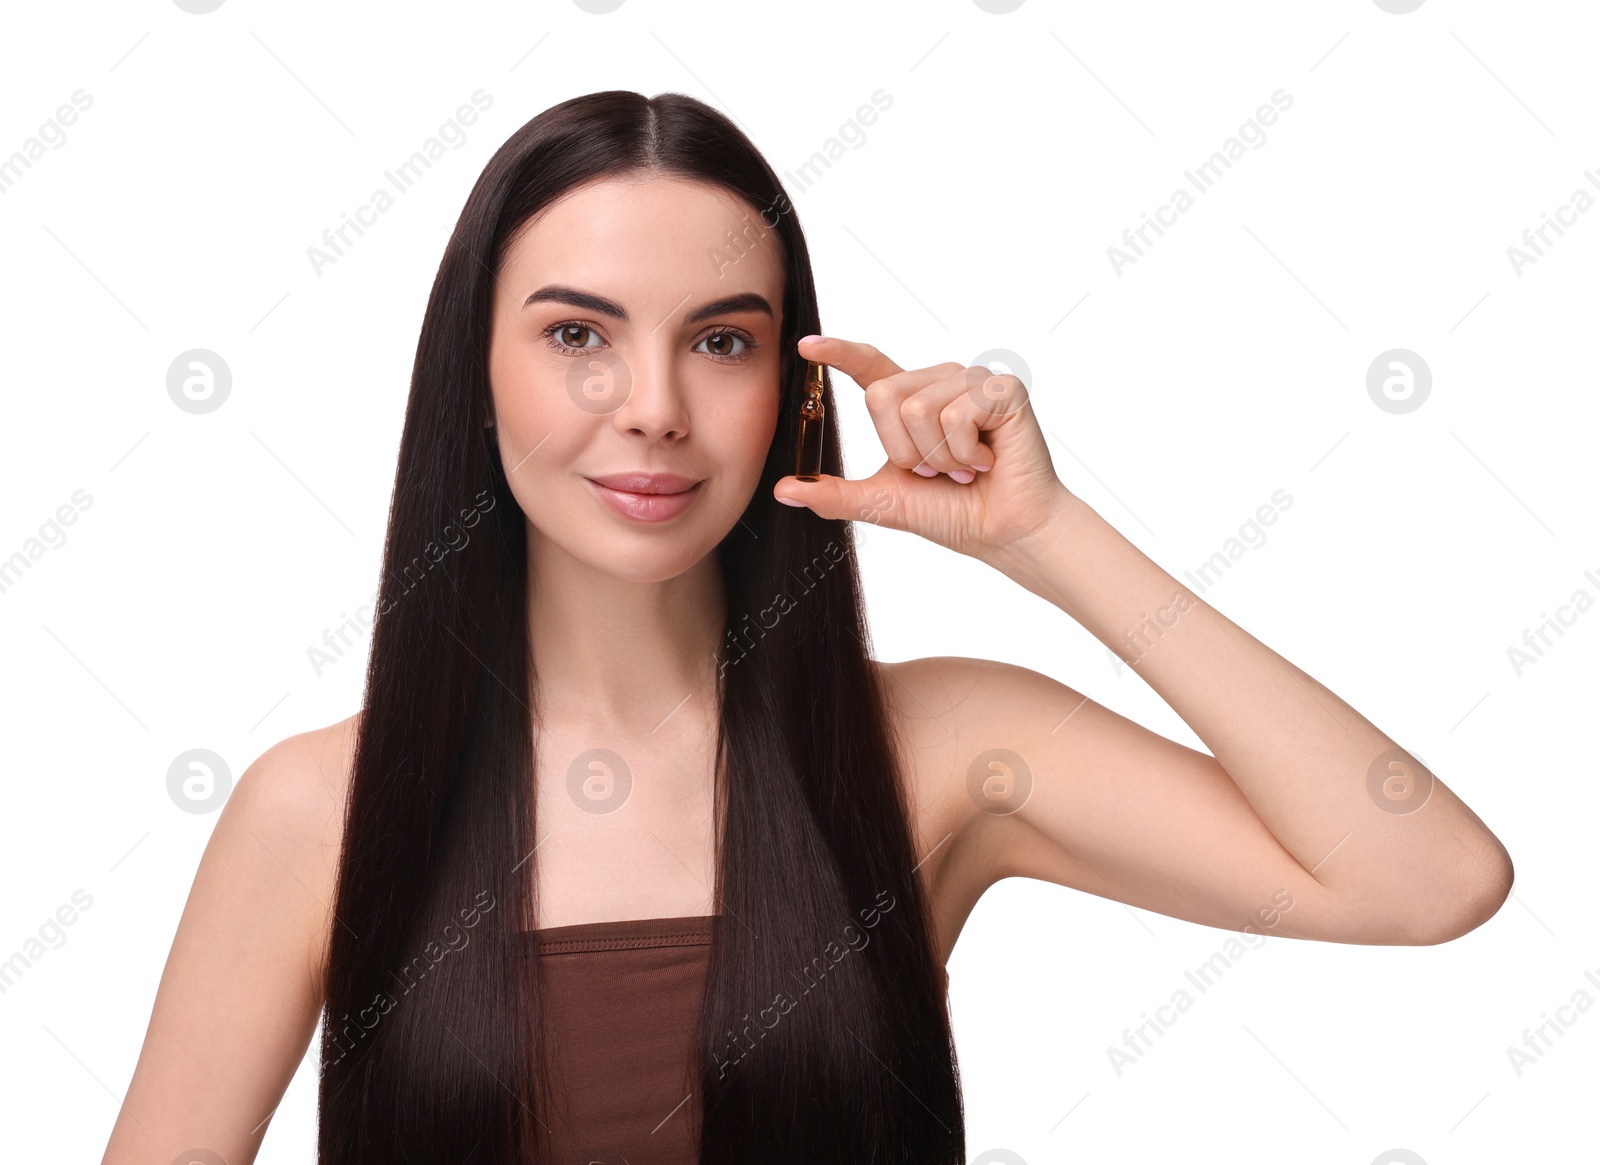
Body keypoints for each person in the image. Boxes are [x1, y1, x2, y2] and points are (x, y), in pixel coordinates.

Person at [101, 90, 1513, 1165]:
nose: (652, 404)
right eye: (578, 334)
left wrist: (1045, 537)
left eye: (721, 340)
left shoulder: (950, 750)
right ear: (476, 374)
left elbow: (1425, 875)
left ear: (792, 384)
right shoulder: (319, 811)